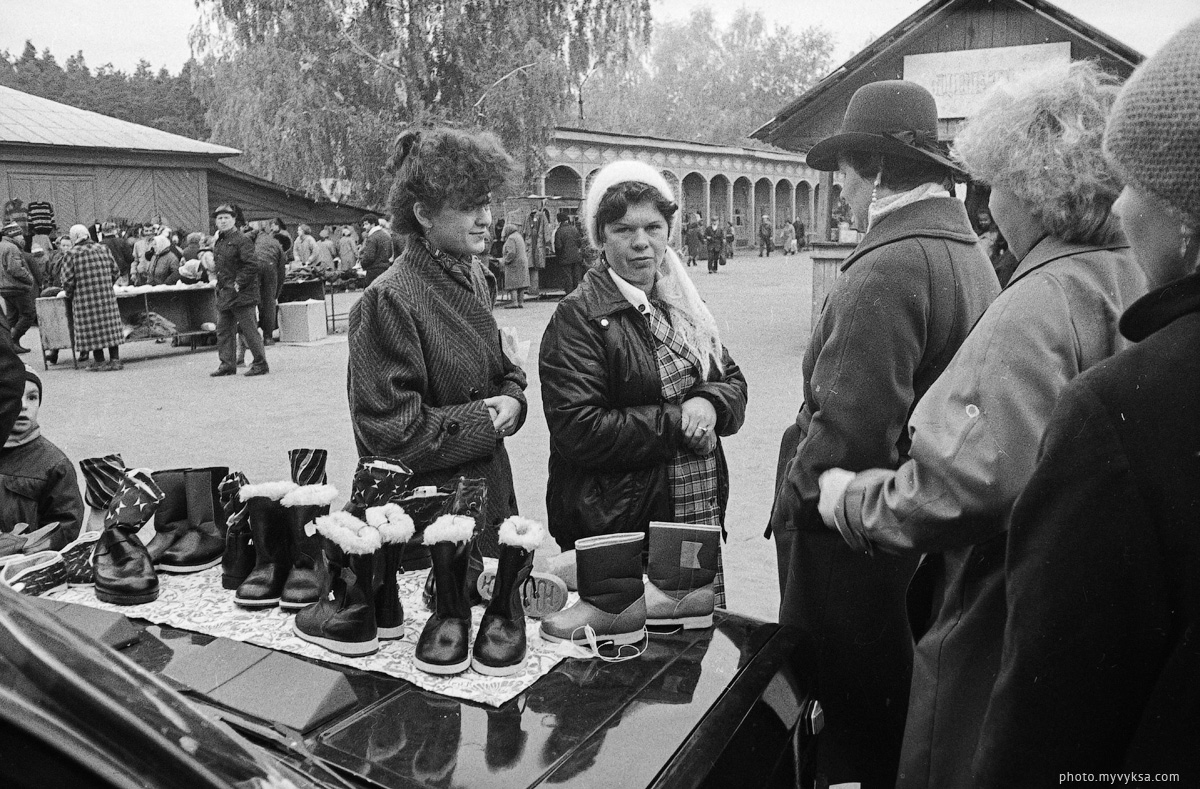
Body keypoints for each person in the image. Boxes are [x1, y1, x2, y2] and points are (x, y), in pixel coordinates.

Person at [814, 63, 1148, 789]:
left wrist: (856, 499)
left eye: (995, 179)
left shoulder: (1039, 303)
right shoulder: (1129, 275)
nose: (988, 202)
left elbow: (971, 482)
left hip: (1005, 610)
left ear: (1032, 187)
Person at [973, 19, 1200, 785]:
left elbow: (1051, 737)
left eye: (1133, 180)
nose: (1120, 205)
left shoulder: (1129, 408)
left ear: (1186, 212)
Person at [770, 80, 999, 789]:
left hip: (849, 543)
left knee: (842, 721)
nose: (839, 191)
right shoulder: (965, 253)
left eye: (844, 173)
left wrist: (793, 502)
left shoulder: (888, 264)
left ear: (873, 171)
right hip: (906, 535)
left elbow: (848, 434)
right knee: (891, 710)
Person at [540, 160, 747, 604]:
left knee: (692, 635)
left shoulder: (682, 302)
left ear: (668, 231)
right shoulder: (577, 319)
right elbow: (580, 429)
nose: (641, 243)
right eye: (622, 229)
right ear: (600, 236)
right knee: (628, 650)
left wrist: (710, 403)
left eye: (653, 227)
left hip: (693, 511)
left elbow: (730, 377)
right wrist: (681, 421)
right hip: (623, 525)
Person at [348, 127, 527, 556]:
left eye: (486, 203)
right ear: (424, 215)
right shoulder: (388, 299)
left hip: (488, 498)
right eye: (469, 207)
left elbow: (501, 371)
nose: (486, 218)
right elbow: (391, 432)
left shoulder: (478, 276)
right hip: (429, 523)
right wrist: (486, 420)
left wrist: (514, 399)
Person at [0, 365, 84, 549]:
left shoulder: (54, 464)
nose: (23, 405)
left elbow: (66, 526)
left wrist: (23, 547)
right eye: (13, 395)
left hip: (19, 567)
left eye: (32, 397)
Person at [210, 204, 268, 377]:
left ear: (234, 220)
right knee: (223, 330)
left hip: (241, 293)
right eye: (219, 218)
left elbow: (252, 265)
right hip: (225, 292)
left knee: (249, 330)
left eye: (226, 218)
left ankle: (260, 363)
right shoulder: (220, 241)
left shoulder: (242, 240)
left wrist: (239, 283)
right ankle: (227, 364)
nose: (223, 221)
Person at [60, 225, 125, 372]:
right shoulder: (103, 249)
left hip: (85, 301)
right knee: (110, 328)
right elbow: (115, 272)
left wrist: (71, 295)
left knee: (93, 331)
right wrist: (106, 286)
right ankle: (115, 361)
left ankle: (100, 362)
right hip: (106, 298)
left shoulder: (71, 254)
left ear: (74, 237)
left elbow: (67, 281)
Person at [0, 222, 35, 353]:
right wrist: (29, 278)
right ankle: (12, 340)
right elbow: (15, 269)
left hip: (4, 288)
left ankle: (10, 346)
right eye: (20, 234)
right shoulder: (11, 248)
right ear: (13, 235)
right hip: (17, 287)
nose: (23, 238)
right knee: (28, 314)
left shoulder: (1, 246)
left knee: (12, 318)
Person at [249, 221, 286, 346]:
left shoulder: (258, 237)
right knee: (269, 302)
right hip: (270, 268)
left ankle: (250, 337)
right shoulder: (279, 248)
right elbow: (281, 276)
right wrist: (276, 295)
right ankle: (268, 337)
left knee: (250, 300)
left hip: (253, 266)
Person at [359, 213, 395, 286]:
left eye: (366, 224)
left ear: (373, 224)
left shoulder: (372, 238)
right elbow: (390, 253)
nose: (364, 227)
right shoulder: (386, 235)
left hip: (373, 272)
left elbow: (369, 257)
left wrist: (362, 263)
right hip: (386, 269)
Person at [553, 211, 584, 295]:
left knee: (567, 277)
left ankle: (569, 295)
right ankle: (576, 294)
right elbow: (579, 243)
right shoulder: (574, 229)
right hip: (576, 257)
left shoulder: (559, 231)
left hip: (564, 258)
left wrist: (557, 255)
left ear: (559, 221)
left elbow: (558, 246)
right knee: (576, 277)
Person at [501, 222, 529, 308]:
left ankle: (514, 302)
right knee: (521, 284)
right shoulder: (519, 236)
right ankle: (520, 302)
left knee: (513, 284)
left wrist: (505, 261)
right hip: (523, 263)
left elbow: (511, 252)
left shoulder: (511, 238)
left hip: (514, 264)